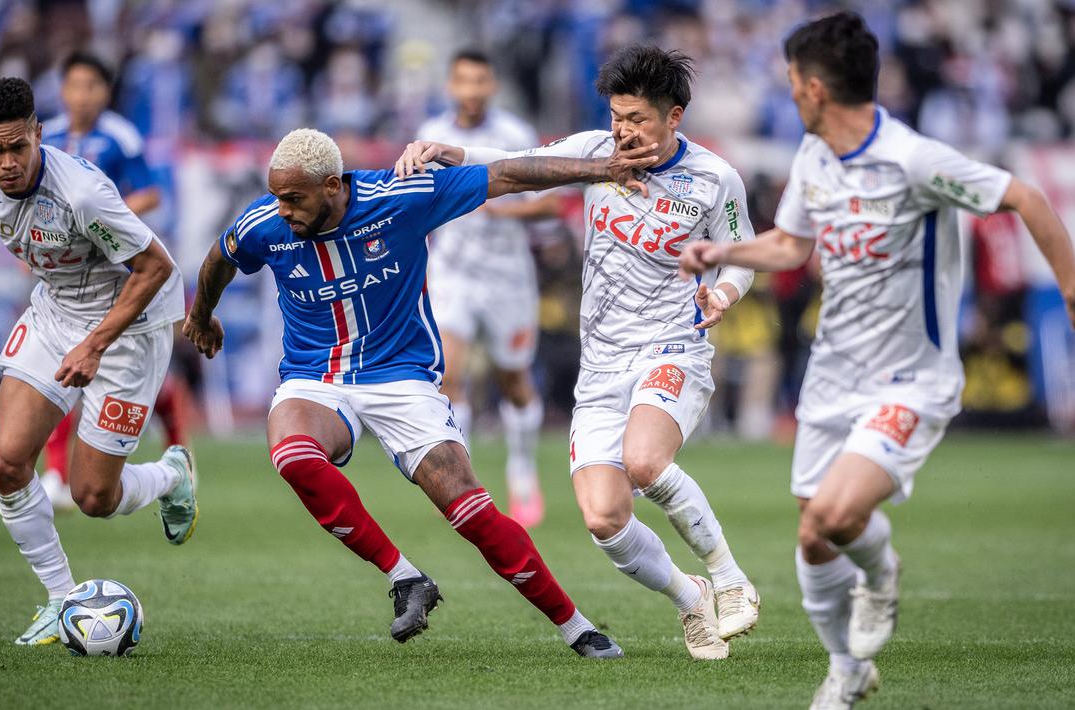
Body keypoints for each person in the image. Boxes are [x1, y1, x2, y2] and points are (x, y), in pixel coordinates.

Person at [677, 12, 1075, 708]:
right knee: (814, 535)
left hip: (908, 381)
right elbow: (790, 246)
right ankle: (848, 669)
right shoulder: (814, 156)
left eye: (791, 82)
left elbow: (1022, 196)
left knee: (832, 520)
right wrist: (722, 252)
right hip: (831, 376)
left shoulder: (914, 160)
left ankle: (880, 576)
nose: (788, 94)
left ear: (814, 88)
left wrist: (1071, 286)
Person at [183, 127, 656, 657]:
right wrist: (201, 315)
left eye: (294, 198)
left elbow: (506, 175)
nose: (283, 209)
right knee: (292, 455)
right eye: (276, 196)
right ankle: (405, 577)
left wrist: (601, 169)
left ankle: (577, 627)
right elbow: (219, 258)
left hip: (402, 377)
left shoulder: (402, 197)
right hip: (315, 377)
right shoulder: (264, 225)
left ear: (333, 185)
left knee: (471, 513)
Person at [395, 45, 760, 661]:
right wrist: (449, 152)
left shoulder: (714, 178)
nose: (624, 130)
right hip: (601, 364)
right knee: (604, 520)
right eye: (617, 116)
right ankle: (691, 598)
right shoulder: (594, 153)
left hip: (673, 345)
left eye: (638, 119)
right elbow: (516, 162)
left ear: (675, 116)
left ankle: (728, 576)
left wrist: (722, 291)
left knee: (644, 462)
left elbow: (741, 250)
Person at [0, 77, 199, 646]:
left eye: (19, 146)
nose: (9, 162)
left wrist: (96, 344)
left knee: (93, 497)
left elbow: (156, 267)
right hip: (54, 315)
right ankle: (59, 597)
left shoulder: (82, 193)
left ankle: (172, 477)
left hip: (131, 322)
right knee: (6, 462)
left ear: (38, 134)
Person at [417, 49, 561, 528]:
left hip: (507, 277)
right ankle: (468, 487)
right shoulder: (432, 136)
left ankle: (521, 471)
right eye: (464, 81)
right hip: (453, 273)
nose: (472, 91)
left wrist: (500, 208)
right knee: (451, 375)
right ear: (450, 86)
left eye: (480, 81)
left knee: (513, 380)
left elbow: (550, 206)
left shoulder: (514, 136)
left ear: (492, 85)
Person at [38, 50, 188, 511]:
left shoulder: (120, 137)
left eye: (91, 86)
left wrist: (101, 219)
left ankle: (177, 447)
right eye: (74, 86)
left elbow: (149, 194)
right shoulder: (49, 135)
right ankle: (57, 471)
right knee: (63, 368)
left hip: (121, 269)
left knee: (117, 368)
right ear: (62, 90)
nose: (81, 96)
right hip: (64, 272)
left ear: (105, 92)